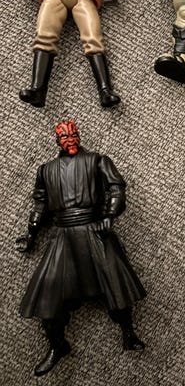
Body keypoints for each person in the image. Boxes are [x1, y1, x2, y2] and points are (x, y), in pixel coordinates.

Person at [16, 120, 145, 376]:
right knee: (48, 296)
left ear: (79, 135)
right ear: (58, 141)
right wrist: (31, 234)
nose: (71, 140)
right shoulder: (46, 170)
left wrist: (109, 214)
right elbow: (40, 204)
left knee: (117, 288)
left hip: (95, 230)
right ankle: (58, 345)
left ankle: (128, 332)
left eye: (73, 135)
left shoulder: (97, 161)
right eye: (65, 138)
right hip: (63, 236)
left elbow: (116, 188)